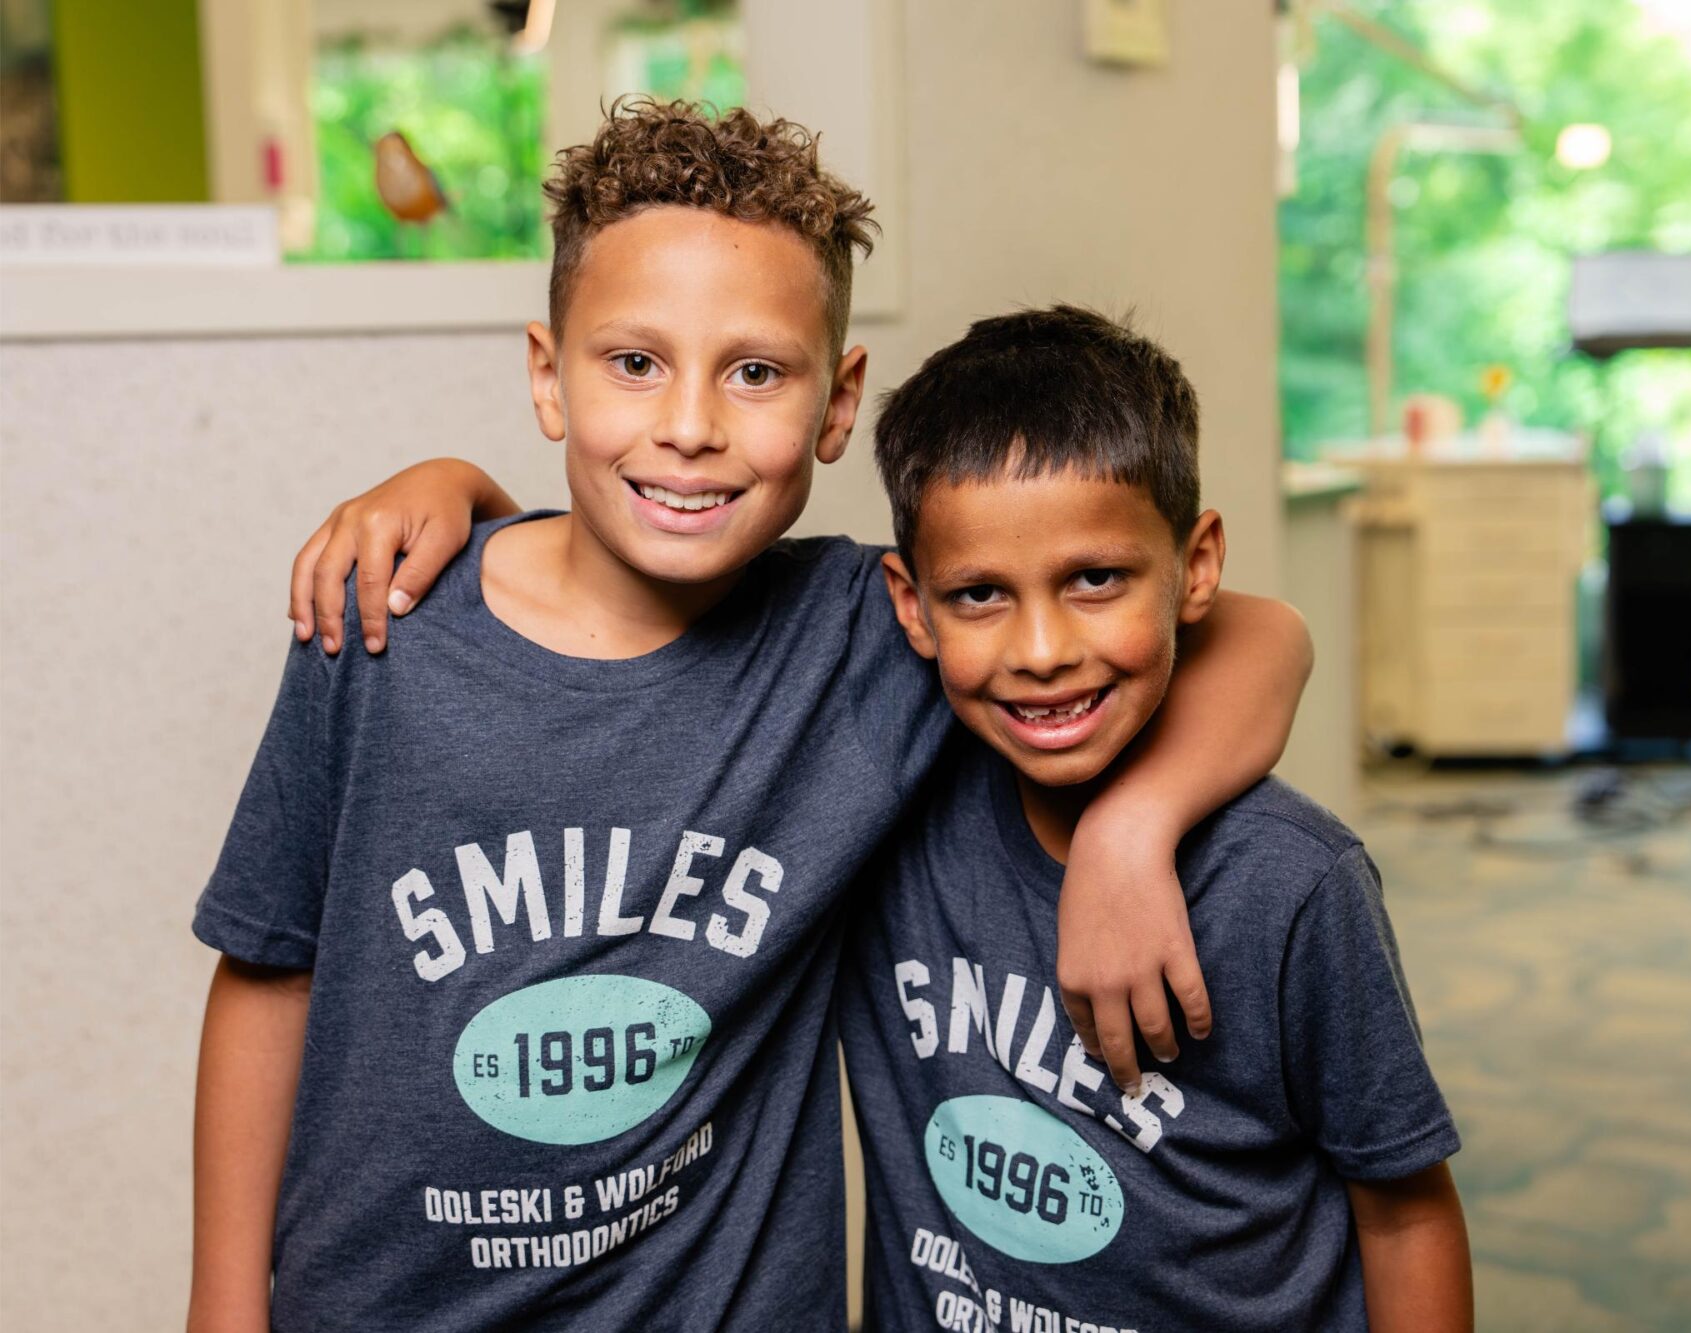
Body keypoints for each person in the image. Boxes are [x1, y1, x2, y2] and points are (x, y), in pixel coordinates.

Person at [190, 101, 1312, 1331]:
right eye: (633, 362)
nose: (688, 425)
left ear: (836, 405)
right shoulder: (384, 626)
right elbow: (267, 974)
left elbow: (1255, 632)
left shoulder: (862, 637)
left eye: (755, 372)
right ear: (544, 377)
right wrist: (223, 1309)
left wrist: (1129, 829)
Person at [842, 306, 1471, 1332]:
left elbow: (1403, 1212)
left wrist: (1126, 830)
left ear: (1198, 564)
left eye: (1095, 579)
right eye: (979, 595)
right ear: (912, 608)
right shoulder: (877, 799)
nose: (1041, 648)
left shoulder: (1289, 882)